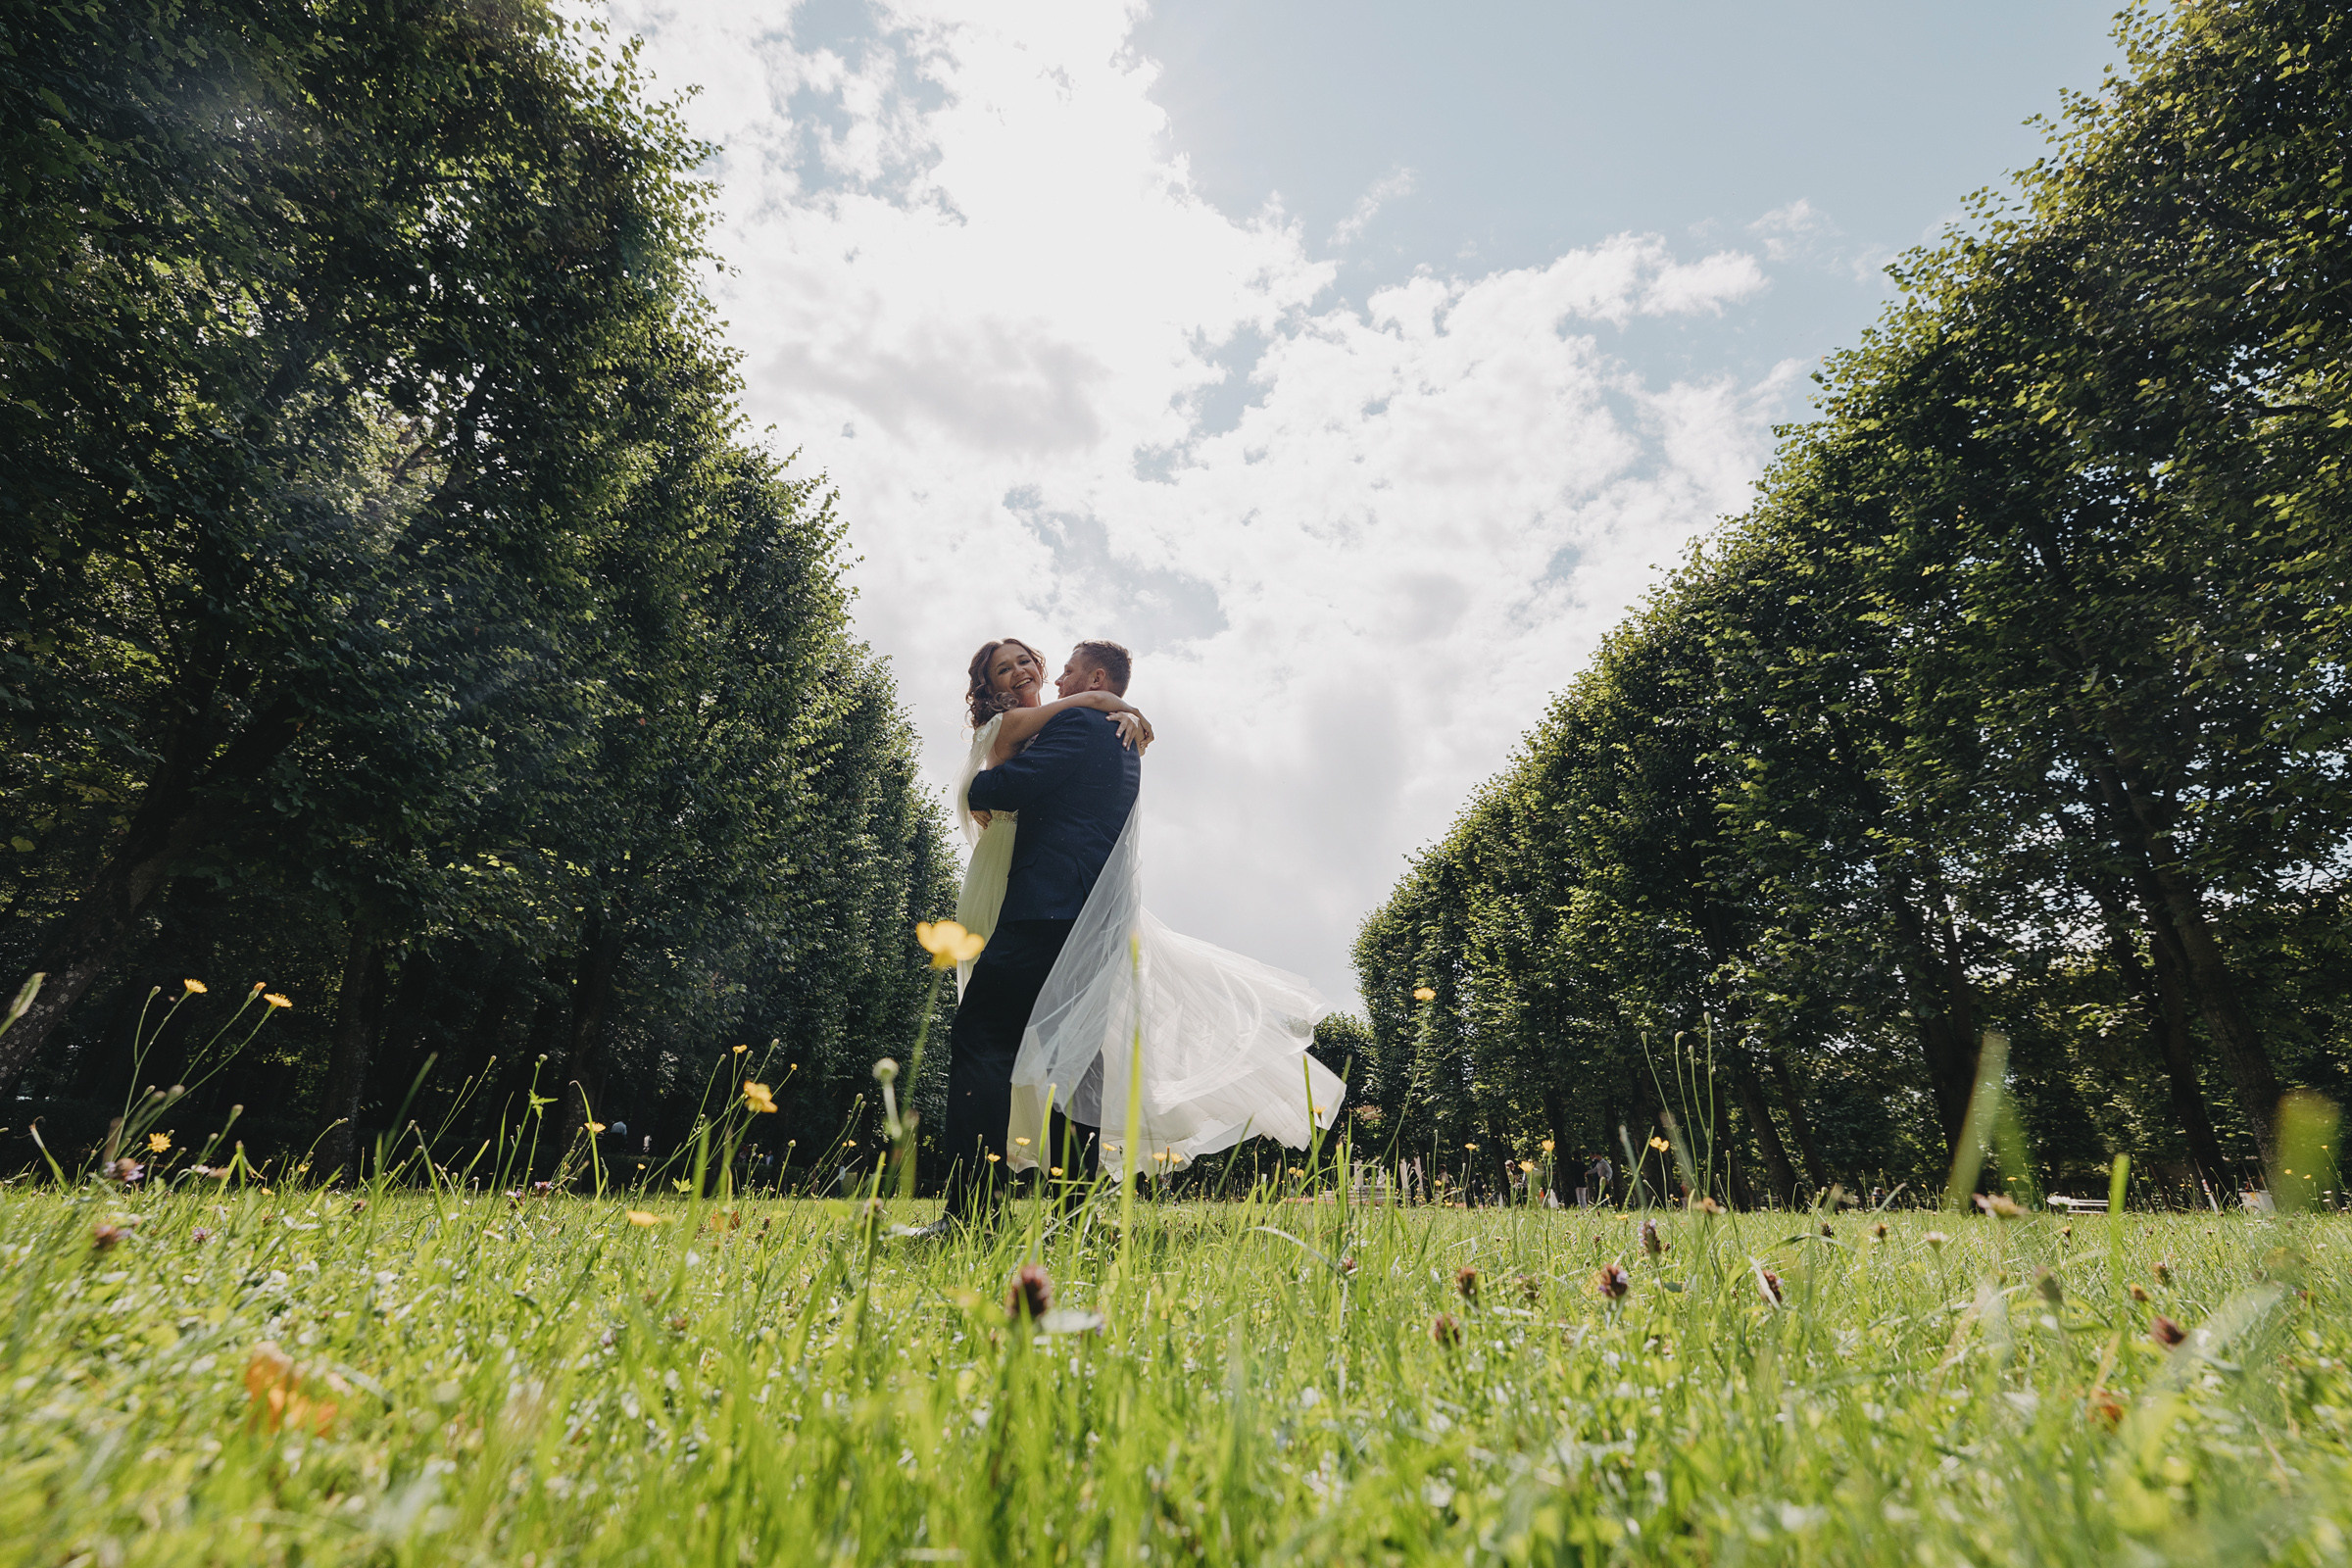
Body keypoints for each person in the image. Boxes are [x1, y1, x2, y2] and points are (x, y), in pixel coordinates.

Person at [925, 637, 1343, 1228]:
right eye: (1008, 667)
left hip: (1046, 912)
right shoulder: (1114, 732)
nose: (1053, 678)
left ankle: (971, 1214)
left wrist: (1006, 771)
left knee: (981, 1043)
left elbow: (994, 790)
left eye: (1060, 670)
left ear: (1096, 679)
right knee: (1076, 1064)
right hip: (1094, 919)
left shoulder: (1080, 727)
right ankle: (1074, 1216)